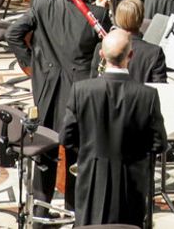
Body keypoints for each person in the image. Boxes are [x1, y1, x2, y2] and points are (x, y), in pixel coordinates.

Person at [6, 0, 111, 206]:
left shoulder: (43, 5)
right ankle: (74, 212)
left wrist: (31, 64)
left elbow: (13, 34)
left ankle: (40, 217)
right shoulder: (97, 14)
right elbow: (108, 52)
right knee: (76, 158)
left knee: (44, 155)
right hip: (79, 94)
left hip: (47, 90)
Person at [60, 28, 167, 228]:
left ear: (101, 54)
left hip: (91, 181)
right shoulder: (147, 95)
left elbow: (66, 138)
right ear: (131, 55)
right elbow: (159, 144)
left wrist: (89, 153)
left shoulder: (81, 91)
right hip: (132, 185)